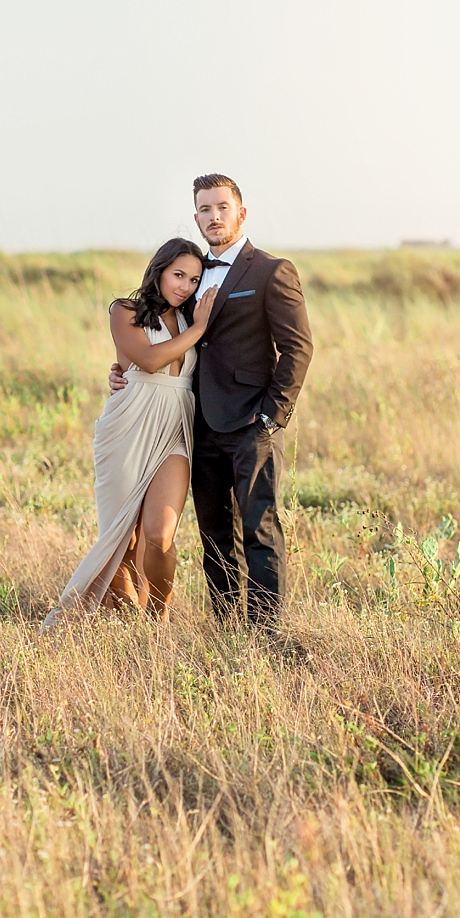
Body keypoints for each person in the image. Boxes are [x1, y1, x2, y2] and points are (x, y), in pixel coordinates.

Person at [108, 174, 314, 625]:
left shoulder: (271, 270)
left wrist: (272, 416)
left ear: (242, 213)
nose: (214, 216)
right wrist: (123, 369)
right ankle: (226, 625)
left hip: (252, 423)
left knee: (259, 527)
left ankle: (264, 629)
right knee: (215, 533)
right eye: (205, 209)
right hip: (195, 424)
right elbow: (163, 337)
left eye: (222, 207)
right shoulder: (190, 273)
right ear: (196, 217)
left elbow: (298, 348)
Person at [42, 238, 216, 627]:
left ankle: (158, 622)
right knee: (123, 539)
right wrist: (200, 328)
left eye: (193, 280)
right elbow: (150, 360)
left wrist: (199, 324)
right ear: (159, 271)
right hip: (127, 426)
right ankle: (126, 619)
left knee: (160, 534)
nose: (185, 286)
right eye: (178, 275)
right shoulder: (124, 311)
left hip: (174, 428)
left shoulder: (191, 316)